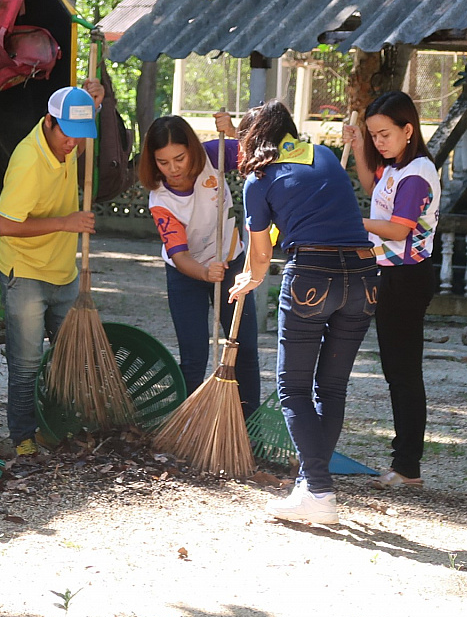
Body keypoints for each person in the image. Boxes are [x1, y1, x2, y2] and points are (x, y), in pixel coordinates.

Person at [230, 100, 377, 527]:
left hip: (313, 274)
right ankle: (310, 486)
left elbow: (260, 254)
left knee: (293, 388)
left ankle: (319, 493)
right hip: (365, 275)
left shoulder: (259, 179)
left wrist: (249, 280)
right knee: (331, 388)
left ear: (252, 139)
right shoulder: (325, 155)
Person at [0, 82, 103, 458]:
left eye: (79, 135)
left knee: (69, 356)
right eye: (67, 134)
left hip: (63, 271)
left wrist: (95, 103)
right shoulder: (28, 160)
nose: (73, 143)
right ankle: (23, 439)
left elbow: (81, 142)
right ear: (49, 122)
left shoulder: (71, 140)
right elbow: (5, 225)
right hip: (24, 272)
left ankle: (57, 429)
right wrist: (65, 223)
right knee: (26, 364)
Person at [344, 91, 441, 490]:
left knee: (403, 373)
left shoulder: (417, 173)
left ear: (408, 129)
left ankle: (407, 467)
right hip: (391, 274)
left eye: (384, 134)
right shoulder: (396, 168)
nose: (378, 142)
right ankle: (404, 463)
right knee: (396, 370)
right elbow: (374, 188)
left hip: (407, 277)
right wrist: (357, 147)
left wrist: (351, 221)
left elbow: (398, 230)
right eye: (373, 135)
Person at [140, 113, 259, 412]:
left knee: (244, 348)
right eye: (163, 162)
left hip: (232, 263)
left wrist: (234, 131)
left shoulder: (213, 155)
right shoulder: (160, 200)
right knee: (194, 356)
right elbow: (180, 256)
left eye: (179, 158)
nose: (173, 169)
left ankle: (248, 424)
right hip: (187, 274)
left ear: (191, 149)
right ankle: (187, 423)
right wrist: (205, 273)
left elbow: (257, 156)